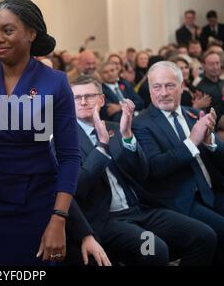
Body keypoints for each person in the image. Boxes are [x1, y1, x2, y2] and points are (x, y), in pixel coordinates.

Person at [0, 0, 82, 265]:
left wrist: (59, 218)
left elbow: (70, 157)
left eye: (7, 30)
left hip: (38, 202)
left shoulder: (55, 83)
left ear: (31, 33)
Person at [71, 75, 216, 265]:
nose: (83, 102)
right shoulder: (63, 139)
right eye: (76, 97)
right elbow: (77, 188)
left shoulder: (116, 127)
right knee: (154, 250)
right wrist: (101, 146)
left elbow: (142, 173)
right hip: (105, 218)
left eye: (89, 96)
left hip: (139, 209)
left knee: (205, 236)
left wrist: (128, 136)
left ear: (101, 100)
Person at [133, 61, 224, 265]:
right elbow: (156, 167)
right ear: (149, 90)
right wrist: (192, 142)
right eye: (157, 87)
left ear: (182, 87)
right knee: (219, 231)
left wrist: (209, 142)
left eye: (170, 85)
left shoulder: (193, 114)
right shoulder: (141, 124)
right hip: (179, 199)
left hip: (211, 191)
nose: (163, 92)